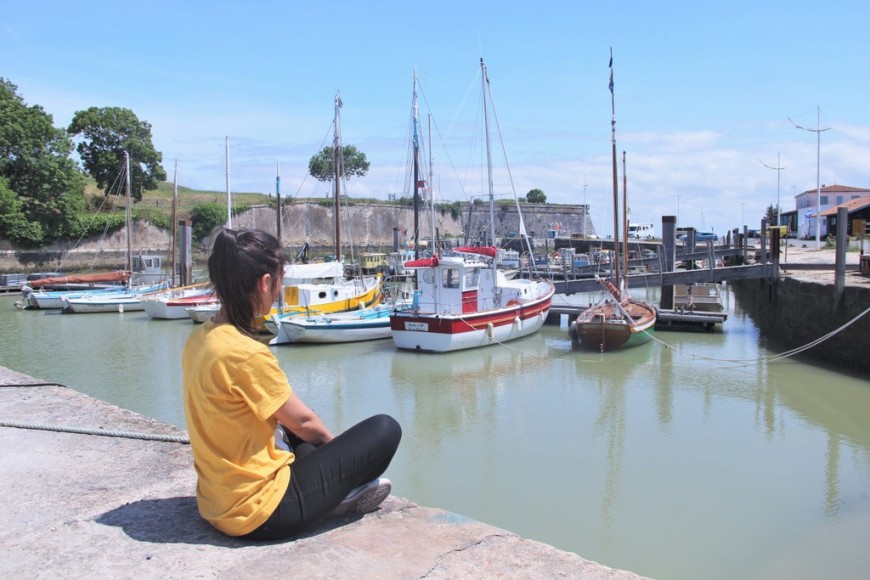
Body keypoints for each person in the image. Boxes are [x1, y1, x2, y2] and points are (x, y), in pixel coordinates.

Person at [182, 228, 401, 540]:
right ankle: (339, 499)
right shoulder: (244, 353)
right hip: (263, 512)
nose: (278, 293)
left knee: (304, 440)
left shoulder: (199, 339)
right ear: (266, 282)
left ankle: (332, 492)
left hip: (217, 500)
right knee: (384, 430)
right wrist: (340, 455)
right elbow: (305, 422)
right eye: (279, 283)